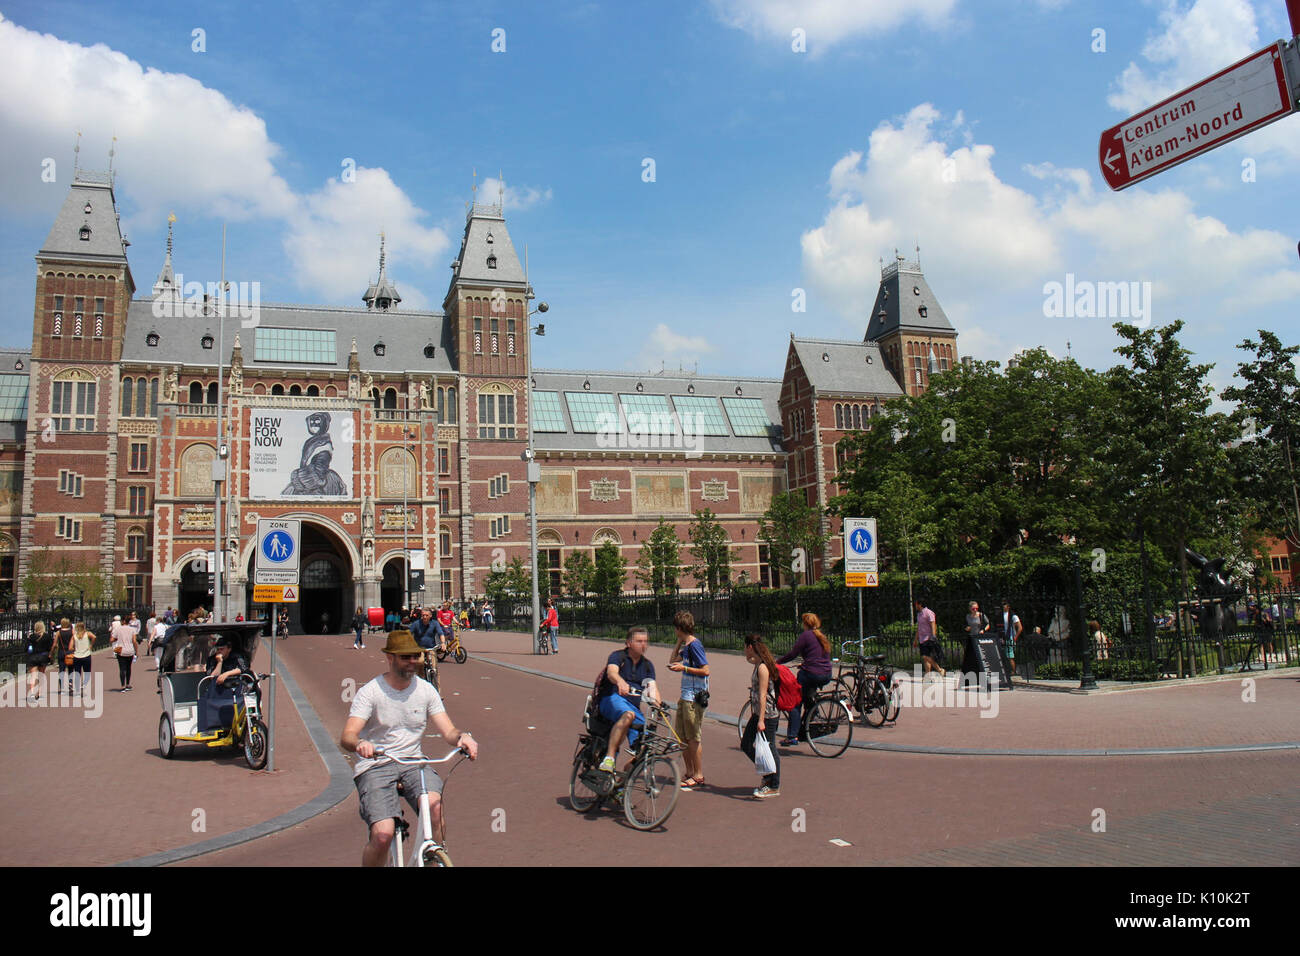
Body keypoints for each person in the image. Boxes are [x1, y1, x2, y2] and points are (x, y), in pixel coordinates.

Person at [339, 629, 479, 867]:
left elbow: (448, 731)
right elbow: (347, 736)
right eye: (405, 657)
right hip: (376, 764)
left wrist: (462, 738)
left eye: (415, 656)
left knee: (435, 807)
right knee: (383, 834)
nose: (412, 662)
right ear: (390, 658)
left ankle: (435, 857)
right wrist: (360, 743)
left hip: (413, 763)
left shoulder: (426, 690)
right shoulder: (371, 692)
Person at [596, 626, 660, 775]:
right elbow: (612, 672)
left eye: (645, 641)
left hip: (632, 706)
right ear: (629, 643)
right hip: (611, 699)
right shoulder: (618, 657)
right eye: (639, 641)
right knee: (628, 715)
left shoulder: (647, 665)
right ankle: (609, 758)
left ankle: (623, 781)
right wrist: (619, 681)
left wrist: (659, 706)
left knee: (646, 744)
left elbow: (652, 688)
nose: (643, 644)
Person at [777, 612, 832, 747]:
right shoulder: (821, 636)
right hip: (826, 674)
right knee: (807, 697)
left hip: (811, 673)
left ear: (805, 624)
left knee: (795, 701)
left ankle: (792, 736)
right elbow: (820, 657)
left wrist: (777, 662)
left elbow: (793, 654)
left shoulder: (806, 635)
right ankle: (812, 711)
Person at [667, 611, 709, 787]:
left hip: (694, 698)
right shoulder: (687, 646)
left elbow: (705, 670)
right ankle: (690, 771)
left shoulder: (695, 646)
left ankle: (698, 774)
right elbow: (671, 660)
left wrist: (684, 669)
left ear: (678, 628)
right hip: (685, 696)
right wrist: (679, 641)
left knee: (693, 737)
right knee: (682, 737)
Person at [741, 634, 781, 799]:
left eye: (745, 647)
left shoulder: (763, 668)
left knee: (770, 748)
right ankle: (768, 775)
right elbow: (749, 659)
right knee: (746, 744)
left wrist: (762, 720)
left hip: (767, 715)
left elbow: (764, 695)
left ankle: (774, 785)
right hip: (758, 713)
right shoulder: (757, 662)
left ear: (750, 646)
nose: (744, 650)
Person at [915, 599, 945, 678]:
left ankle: (939, 669)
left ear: (920, 604)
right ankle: (928, 675)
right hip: (922, 638)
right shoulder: (919, 614)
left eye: (916, 604)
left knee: (925, 656)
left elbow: (933, 624)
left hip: (928, 638)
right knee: (926, 658)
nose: (915, 606)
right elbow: (919, 627)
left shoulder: (928, 612)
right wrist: (915, 639)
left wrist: (933, 635)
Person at [25, 620, 52, 701]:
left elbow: (26, 648)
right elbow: (50, 647)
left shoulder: (31, 637)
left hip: (33, 657)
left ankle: (32, 693)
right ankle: (39, 693)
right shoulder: (47, 636)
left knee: (33, 676)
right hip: (43, 657)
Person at [110, 614, 138, 692]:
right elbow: (134, 641)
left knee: (122, 668)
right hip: (130, 650)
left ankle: (122, 686)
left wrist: (117, 639)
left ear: (122, 621)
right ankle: (128, 684)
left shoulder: (118, 629)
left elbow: (112, 640)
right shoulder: (132, 629)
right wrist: (136, 651)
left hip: (121, 651)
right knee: (129, 668)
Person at [998, 599, 1023, 676]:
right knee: (1002, 655)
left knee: (1010, 655)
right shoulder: (1000, 615)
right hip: (1002, 637)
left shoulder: (1013, 616)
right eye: (1002, 604)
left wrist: (1015, 637)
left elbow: (1020, 628)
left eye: (1004, 604)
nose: (1003, 606)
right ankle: (1005, 670)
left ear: (1008, 606)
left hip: (1010, 637)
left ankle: (1013, 671)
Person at [71, 621, 95, 696]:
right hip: (86, 655)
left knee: (77, 673)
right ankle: (84, 685)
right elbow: (94, 637)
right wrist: (91, 645)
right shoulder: (87, 634)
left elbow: (71, 647)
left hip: (77, 656)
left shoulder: (74, 636)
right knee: (87, 672)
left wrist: (75, 648)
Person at [54, 618, 74, 695]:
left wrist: (53, 652)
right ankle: (70, 684)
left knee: (61, 670)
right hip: (70, 652)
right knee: (71, 670)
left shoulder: (59, 632)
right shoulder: (72, 632)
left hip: (62, 652)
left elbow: (55, 644)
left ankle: (62, 688)